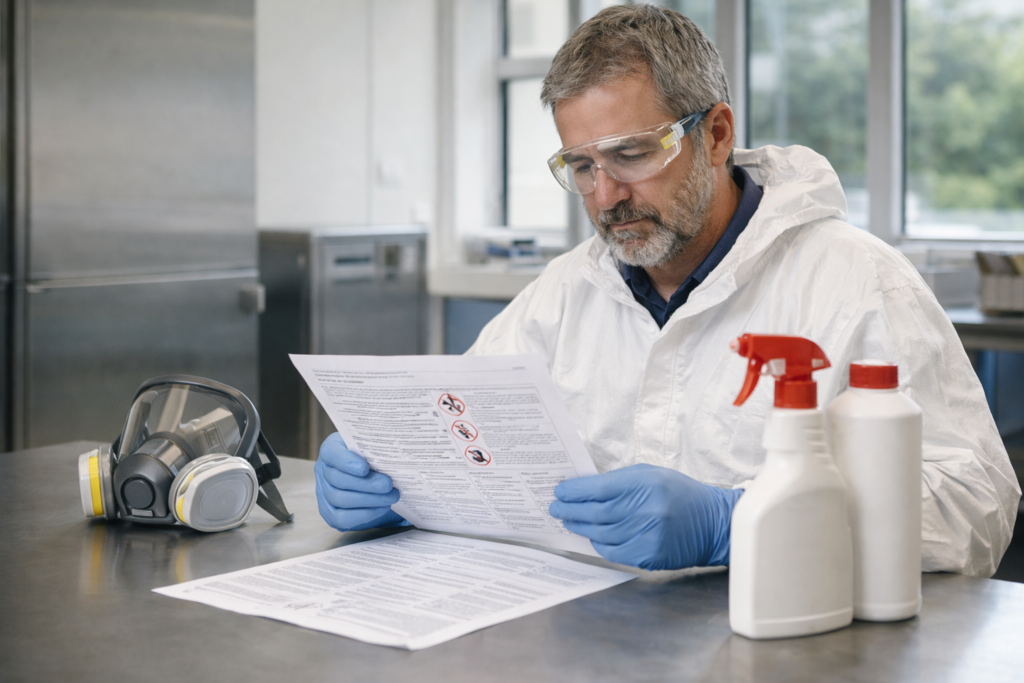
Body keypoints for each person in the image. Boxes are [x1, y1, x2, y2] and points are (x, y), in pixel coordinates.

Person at [315, 4, 1020, 577]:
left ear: (715, 134)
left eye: (631, 153)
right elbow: (460, 434)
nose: (607, 195)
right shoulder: (566, 292)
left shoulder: (857, 281)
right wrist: (397, 479)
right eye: (582, 166)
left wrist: (738, 521)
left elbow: (976, 505)